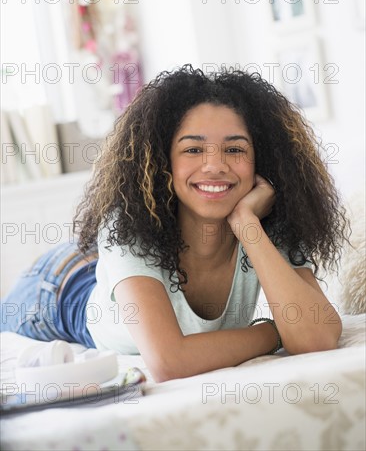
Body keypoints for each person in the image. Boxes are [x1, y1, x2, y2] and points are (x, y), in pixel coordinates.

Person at [1, 65, 349, 382]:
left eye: (234, 149)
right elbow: (169, 362)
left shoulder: (267, 222)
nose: (214, 165)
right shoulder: (130, 224)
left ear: (262, 159)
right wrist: (274, 332)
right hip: (60, 290)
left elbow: (315, 337)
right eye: (193, 150)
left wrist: (247, 225)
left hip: (114, 268)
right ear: (162, 161)